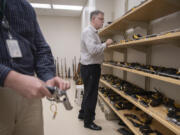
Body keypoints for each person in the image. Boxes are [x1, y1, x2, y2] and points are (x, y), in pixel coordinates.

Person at [0, 0, 70, 135]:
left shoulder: (25, 7)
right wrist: (10, 78)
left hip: (30, 95)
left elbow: (41, 48)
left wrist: (48, 76)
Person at [78, 10, 113, 130]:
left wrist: (102, 44)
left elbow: (92, 47)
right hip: (91, 68)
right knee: (91, 95)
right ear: (93, 19)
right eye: (101, 19)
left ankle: (83, 114)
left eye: (103, 19)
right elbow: (93, 50)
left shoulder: (93, 32)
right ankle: (88, 122)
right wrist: (106, 44)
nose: (103, 21)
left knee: (88, 93)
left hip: (90, 67)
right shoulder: (89, 32)